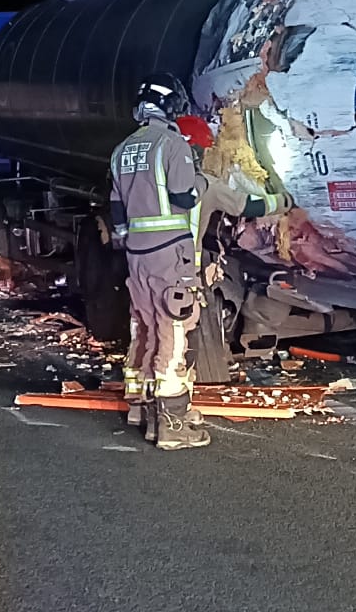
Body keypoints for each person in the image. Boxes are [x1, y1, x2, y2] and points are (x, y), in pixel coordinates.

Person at [108, 72, 213, 451]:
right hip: (170, 252)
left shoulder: (122, 150)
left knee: (145, 324)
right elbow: (184, 197)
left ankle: (141, 408)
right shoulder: (172, 144)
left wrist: (132, 240)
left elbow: (117, 210)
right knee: (174, 328)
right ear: (170, 106)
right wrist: (205, 181)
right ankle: (172, 422)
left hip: (137, 255)